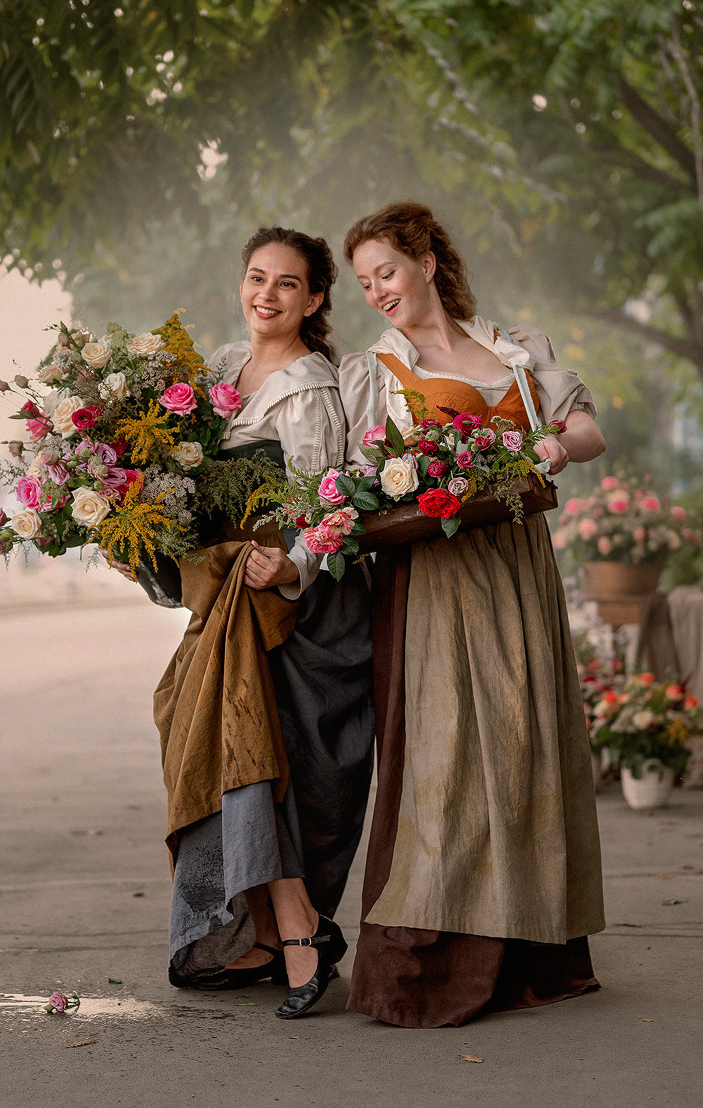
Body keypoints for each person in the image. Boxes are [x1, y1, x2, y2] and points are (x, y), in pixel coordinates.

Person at [338, 201, 606, 1028]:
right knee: (448, 756)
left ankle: (531, 945)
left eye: (386, 270)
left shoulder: (517, 349)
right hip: (437, 572)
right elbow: (359, 474)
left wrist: (551, 446)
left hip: (521, 564)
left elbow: (587, 427)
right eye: (362, 282)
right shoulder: (375, 369)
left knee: (528, 744)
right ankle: (433, 963)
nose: (377, 291)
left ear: (425, 260)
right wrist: (419, 473)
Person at [114, 227, 373, 1020]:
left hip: (296, 605)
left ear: (316, 299)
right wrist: (138, 531)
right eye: (257, 278)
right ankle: (274, 931)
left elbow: (326, 505)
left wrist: (289, 564)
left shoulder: (312, 388)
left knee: (255, 761)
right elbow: (182, 486)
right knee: (225, 749)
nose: (267, 295)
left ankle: (294, 932)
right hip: (231, 595)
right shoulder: (220, 369)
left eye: (287, 284)